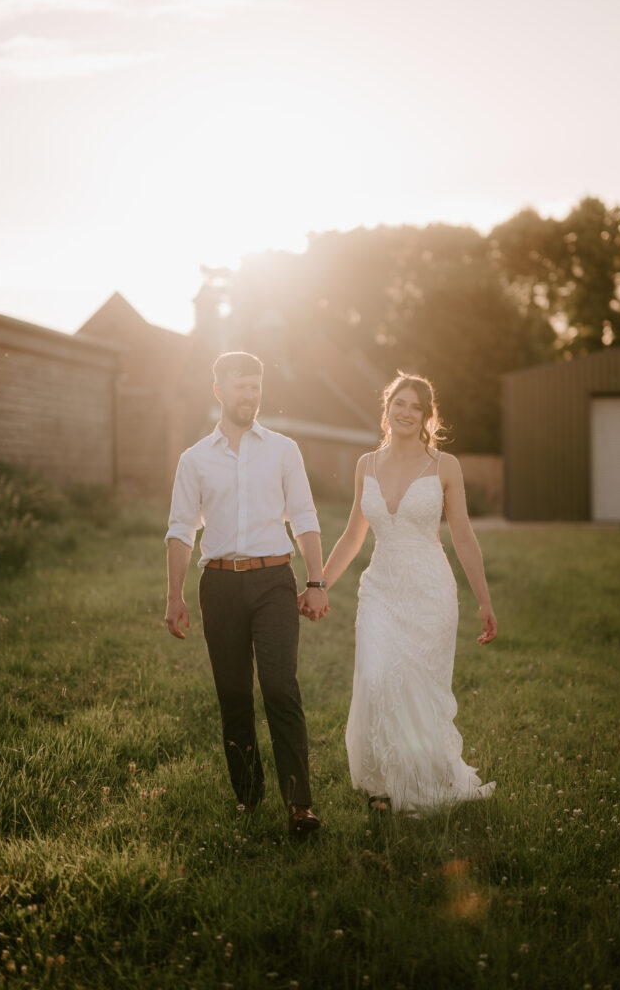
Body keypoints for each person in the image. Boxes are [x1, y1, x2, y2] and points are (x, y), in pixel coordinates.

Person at [164, 351, 328, 836]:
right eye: (240, 386)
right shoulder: (194, 459)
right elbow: (179, 528)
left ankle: (300, 804)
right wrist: (175, 596)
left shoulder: (283, 449)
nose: (250, 395)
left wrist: (315, 581)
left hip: (274, 582)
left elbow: (304, 516)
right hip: (219, 585)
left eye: (256, 386)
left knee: (280, 689)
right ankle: (250, 800)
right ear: (219, 390)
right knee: (234, 696)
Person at [320, 372, 497, 814]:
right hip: (380, 589)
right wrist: (317, 585)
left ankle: (421, 781)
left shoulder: (444, 466)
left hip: (429, 591)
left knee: (417, 685)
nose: (405, 412)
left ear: (426, 416)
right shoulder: (366, 465)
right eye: (399, 403)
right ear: (387, 409)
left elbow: (464, 537)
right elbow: (351, 536)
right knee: (379, 679)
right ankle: (385, 777)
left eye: (415, 406)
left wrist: (485, 601)